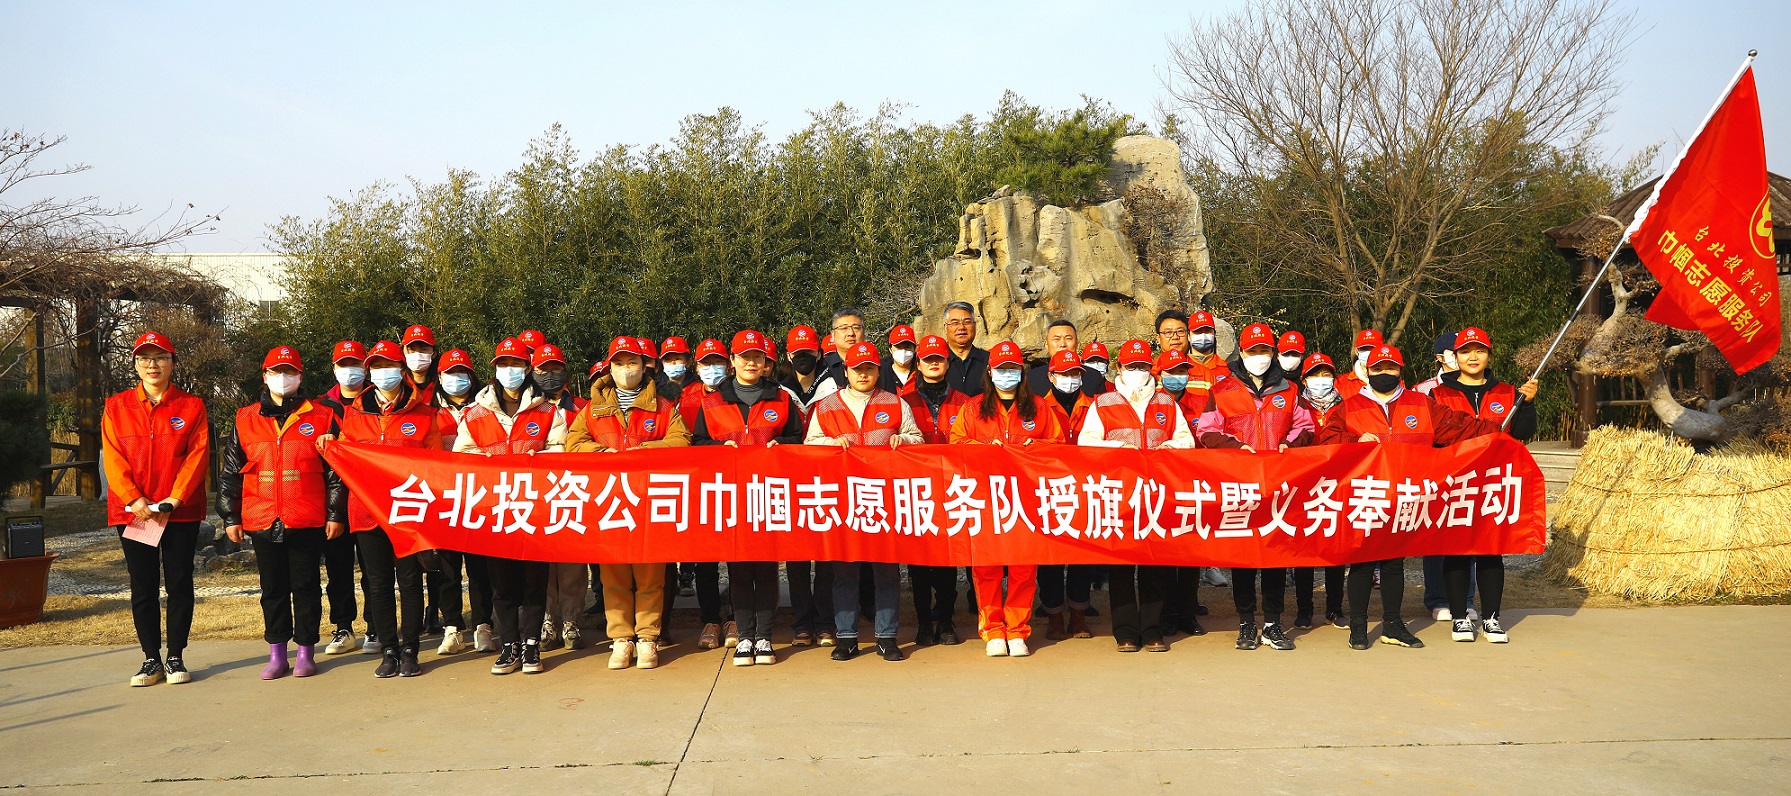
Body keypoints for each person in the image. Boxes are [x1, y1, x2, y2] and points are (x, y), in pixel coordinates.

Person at [1317, 343, 1505, 651]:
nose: (1384, 373)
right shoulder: (1350, 406)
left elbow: (1461, 427)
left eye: (1391, 368)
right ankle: (1358, 627)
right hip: (1365, 497)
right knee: (1362, 564)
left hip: (1406, 497)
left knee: (1394, 564)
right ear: (1367, 371)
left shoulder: (1421, 404)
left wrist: (1502, 430)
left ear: (1400, 371)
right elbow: (1325, 440)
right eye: (1378, 368)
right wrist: (1353, 440)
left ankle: (1393, 624)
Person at [217, 345, 347, 680]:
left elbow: (335, 471)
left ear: (300, 376)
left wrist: (335, 514)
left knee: (306, 587)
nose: (283, 377)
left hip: (306, 516)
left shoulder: (322, 416)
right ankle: (277, 654)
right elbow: (230, 471)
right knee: (272, 589)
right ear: (265, 376)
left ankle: (305, 652)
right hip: (261, 515)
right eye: (276, 371)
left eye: (289, 371)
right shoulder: (245, 418)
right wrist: (231, 516)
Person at [567, 335, 693, 670]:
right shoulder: (593, 409)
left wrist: (644, 452)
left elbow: (681, 440)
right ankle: (621, 639)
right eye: (620, 363)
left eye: (633, 363)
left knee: (651, 574)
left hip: (650, 501)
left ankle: (648, 638)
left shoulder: (663, 407)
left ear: (644, 366)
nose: (626, 369)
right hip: (609, 502)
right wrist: (601, 452)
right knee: (614, 575)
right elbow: (573, 443)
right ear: (610, 368)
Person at [1196, 324, 1317, 652]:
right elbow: (1206, 431)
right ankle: (1246, 622)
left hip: (1278, 485)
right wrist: (1236, 448)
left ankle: (1273, 623)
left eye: (1265, 350)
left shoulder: (1290, 390)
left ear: (1273, 352)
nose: (1259, 356)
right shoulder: (1222, 389)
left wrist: (1290, 445)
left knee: (1276, 556)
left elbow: (1306, 426)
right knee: (1243, 557)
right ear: (1242, 352)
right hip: (1240, 485)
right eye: (1253, 351)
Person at [691, 330, 806, 666]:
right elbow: (697, 445)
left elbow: (798, 439)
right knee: (739, 569)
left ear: (765, 361)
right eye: (744, 357)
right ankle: (744, 636)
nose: (751, 363)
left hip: (769, 494)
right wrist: (718, 448)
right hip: (730, 496)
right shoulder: (713, 402)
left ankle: (764, 636)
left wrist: (781, 445)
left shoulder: (781, 399)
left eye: (757, 357)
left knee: (767, 569)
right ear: (733, 361)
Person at [455, 337, 567, 674]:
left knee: (534, 582)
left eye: (516, 364)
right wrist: (485, 460)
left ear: (527, 367)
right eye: (503, 364)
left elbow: (561, 451)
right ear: (495, 369)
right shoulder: (475, 413)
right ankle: (509, 645)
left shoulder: (547, 411)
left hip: (535, 509)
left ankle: (531, 646)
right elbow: (461, 457)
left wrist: (539, 457)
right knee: (502, 584)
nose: (509, 370)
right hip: (493, 510)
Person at [805, 341, 924, 661]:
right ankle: (846, 637)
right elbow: (809, 446)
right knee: (845, 571)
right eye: (857, 369)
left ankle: (887, 637)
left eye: (869, 368)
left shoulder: (895, 403)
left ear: (877, 370)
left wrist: (904, 439)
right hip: (842, 501)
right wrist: (831, 443)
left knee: (887, 572)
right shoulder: (826, 406)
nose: (863, 374)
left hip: (883, 501)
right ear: (846, 371)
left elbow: (918, 440)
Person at [105, 331, 211, 687]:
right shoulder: (116, 406)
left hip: (178, 511)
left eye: (161, 357)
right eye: (145, 358)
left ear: (173, 363)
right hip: (134, 513)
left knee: (179, 582)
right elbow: (113, 458)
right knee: (143, 585)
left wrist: (175, 499)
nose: (153, 365)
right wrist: (134, 499)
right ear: (135, 364)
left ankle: (175, 655)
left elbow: (198, 455)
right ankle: (150, 658)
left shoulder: (191, 406)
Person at [1078, 339, 1196, 652]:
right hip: (1118, 496)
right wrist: (1121, 449)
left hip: (1158, 495)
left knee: (1155, 566)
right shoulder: (1103, 403)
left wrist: (1167, 448)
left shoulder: (1166, 403)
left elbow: (1186, 441)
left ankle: (1153, 630)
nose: (1138, 371)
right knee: (1121, 567)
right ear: (1119, 368)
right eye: (1132, 366)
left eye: (1143, 366)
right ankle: (1126, 632)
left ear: (1151, 368)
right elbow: (1086, 444)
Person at [950, 341, 1065, 658]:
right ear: (990, 372)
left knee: (1023, 569)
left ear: (1022, 372)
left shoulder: (1039, 407)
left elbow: (1058, 446)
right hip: (984, 500)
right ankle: (992, 631)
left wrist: (1036, 447)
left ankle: (1016, 630)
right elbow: (955, 444)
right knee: (986, 569)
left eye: (1012, 368)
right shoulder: (972, 408)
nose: (1007, 374)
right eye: (1001, 369)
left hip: (1027, 502)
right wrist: (983, 449)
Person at [338, 339, 443, 677]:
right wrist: (329, 445)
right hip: (366, 511)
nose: (384, 372)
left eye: (389, 366)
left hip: (408, 511)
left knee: (410, 582)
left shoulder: (424, 414)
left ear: (402, 369)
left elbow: (435, 465)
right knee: (378, 584)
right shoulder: (355, 414)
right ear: (369, 371)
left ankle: (410, 649)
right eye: (377, 366)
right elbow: (344, 461)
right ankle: (388, 649)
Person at [1431, 327, 1539, 644]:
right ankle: (1460, 618)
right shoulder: (1438, 395)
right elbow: (1434, 438)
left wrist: (1527, 403)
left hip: (1496, 481)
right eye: (1465, 351)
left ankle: (1492, 618)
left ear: (1489, 355)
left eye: (1479, 350)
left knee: (1491, 551)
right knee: (1458, 551)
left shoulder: (1508, 392)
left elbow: (1524, 433)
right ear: (1456, 357)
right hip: (1457, 483)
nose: (1473, 357)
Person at [520, 342, 592, 655]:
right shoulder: (526, 408)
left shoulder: (584, 407)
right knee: (543, 566)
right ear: (532, 372)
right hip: (536, 498)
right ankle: (547, 621)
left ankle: (572, 621)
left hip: (574, 495)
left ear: (566, 372)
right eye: (542, 369)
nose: (549, 375)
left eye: (555, 369)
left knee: (573, 565)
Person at [1157, 309, 1230, 615]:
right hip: (1162, 476)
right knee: (1164, 543)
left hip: (1197, 470)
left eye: (1180, 331)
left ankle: (1188, 605)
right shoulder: (1151, 386)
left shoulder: (1209, 387)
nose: (1177, 376)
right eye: (1168, 332)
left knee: (1191, 537)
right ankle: (1165, 609)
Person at [899, 334, 971, 646]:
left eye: (938, 359)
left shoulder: (964, 401)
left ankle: (946, 619)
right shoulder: (903, 401)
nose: (933, 364)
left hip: (952, 488)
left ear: (947, 363)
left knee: (947, 560)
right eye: (927, 359)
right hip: (916, 489)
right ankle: (923, 623)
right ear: (918, 363)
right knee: (918, 562)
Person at [663, 337, 733, 652]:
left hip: (736, 482)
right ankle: (711, 619)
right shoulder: (685, 398)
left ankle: (735, 618)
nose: (711, 368)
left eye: (717, 362)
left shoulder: (738, 392)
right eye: (706, 363)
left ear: (728, 364)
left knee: (738, 556)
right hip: (699, 485)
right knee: (706, 558)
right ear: (697, 365)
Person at [432, 348, 496, 654]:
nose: (455, 378)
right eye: (449, 373)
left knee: (479, 568)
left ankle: (483, 625)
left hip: (478, 499)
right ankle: (452, 627)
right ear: (440, 377)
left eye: (461, 372)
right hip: (442, 499)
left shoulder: (486, 408)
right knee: (447, 569)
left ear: (471, 376)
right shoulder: (429, 410)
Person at [777, 325, 834, 646]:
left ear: (819, 353)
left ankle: (825, 622)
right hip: (788, 481)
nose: (803, 357)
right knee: (796, 555)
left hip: (827, 479)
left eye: (809, 352)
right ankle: (801, 623)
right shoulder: (778, 391)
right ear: (788, 355)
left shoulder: (834, 387)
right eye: (797, 353)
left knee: (826, 555)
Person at [317, 339, 374, 655]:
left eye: (355, 364)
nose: (349, 370)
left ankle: (376, 627)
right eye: (343, 364)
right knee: (338, 570)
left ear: (365, 367)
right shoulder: (320, 408)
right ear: (334, 368)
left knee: (374, 569)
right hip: (334, 500)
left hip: (370, 498)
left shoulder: (376, 402)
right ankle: (343, 627)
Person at [1036, 347, 1097, 640]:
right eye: (1063, 373)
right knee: (1049, 556)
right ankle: (1054, 616)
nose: (1070, 379)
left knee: (1083, 555)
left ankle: (1079, 615)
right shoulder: (1037, 407)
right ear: (1051, 376)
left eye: (1075, 373)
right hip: (1049, 488)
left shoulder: (1095, 406)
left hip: (1087, 488)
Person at [1295, 353, 1348, 629]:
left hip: (1338, 482)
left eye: (1326, 374)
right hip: (1304, 482)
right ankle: (1304, 609)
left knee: (1335, 547)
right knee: (1304, 548)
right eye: (1315, 374)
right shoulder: (1295, 404)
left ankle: (1334, 608)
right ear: (1304, 379)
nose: (1321, 379)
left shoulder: (1346, 405)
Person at [1414, 331, 1462, 622]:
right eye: (1456, 352)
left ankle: (1464, 599)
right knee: (1435, 537)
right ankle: (1438, 598)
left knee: (1464, 535)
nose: (1462, 357)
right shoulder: (1423, 390)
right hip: (1434, 472)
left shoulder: (1476, 386)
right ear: (1440, 357)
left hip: (1467, 472)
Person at [1026, 319, 1102, 399]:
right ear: (1046, 344)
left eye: (1068, 338)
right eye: (1056, 339)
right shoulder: (1032, 378)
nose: (1062, 344)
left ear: (1077, 343)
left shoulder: (1093, 377)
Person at [942, 301, 989, 396]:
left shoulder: (989, 361)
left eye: (967, 322)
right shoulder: (938, 362)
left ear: (974, 326)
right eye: (955, 323)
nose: (961, 327)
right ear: (945, 328)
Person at [1336, 329, 1383, 398]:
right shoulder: (1340, 383)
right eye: (1365, 349)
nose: (1369, 352)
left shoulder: (1394, 381)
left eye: (1373, 348)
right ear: (1356, 351)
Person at [882, 324, 919, 393]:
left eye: (907, 347)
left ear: (914, 349)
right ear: (890, 349)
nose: (903, 351)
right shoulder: (881, 373)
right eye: (898, 347)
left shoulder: (922, 372)